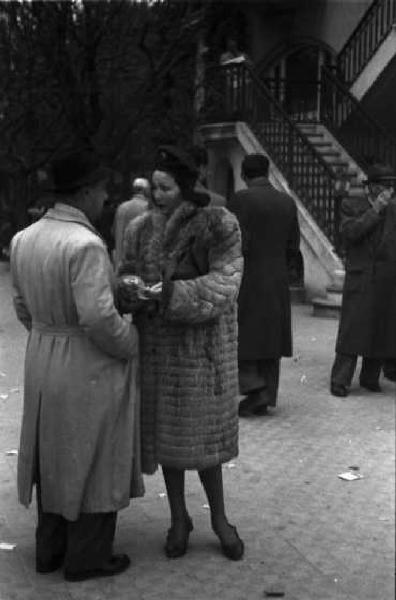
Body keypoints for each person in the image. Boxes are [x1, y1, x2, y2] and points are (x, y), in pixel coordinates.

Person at [10, 149, 142, 581]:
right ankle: (87, 558)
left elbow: (21, 307)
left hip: (44, 354)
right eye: (102, 189)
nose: (106, 198)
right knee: (95, 456)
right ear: (84, 192)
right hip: (86, 361)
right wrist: (129, 342)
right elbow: (99, 318)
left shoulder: (25, 238)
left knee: (52, 455)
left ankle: (49, 551)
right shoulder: (84, 244)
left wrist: (48, 333)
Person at [118, 145, 244, 561]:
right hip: (160, 350)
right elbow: (125, 272)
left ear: (187, 185)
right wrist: (132, 290)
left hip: (205, 351)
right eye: (154, 186)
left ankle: (220, 520)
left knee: (206, 443)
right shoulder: (139, 227)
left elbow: (226, 283)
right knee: (168, 443)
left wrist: (170, 293)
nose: (157, 193)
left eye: (166, 186)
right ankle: (178, 518)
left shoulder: (218, 223)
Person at [228, 153, 300, 417]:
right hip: (277, 277)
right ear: (268, 173)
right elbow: (294, 246)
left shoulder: (240, 200)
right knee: (271, 337)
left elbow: (232, 240)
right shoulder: (287, 202)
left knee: (244, 335)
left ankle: (253, 386)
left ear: (244, 175)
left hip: (247, 275)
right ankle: (268, 393)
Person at [330, 163, 396, 397]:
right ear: (372, 188)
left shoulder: (394, 211)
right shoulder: (351, 206)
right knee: (352, 330)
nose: (389, 191)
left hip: (386, 280)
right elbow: (350, 234)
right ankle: (340, 380)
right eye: (385, 186)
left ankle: (370, 378)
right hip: (361, 277)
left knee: (380, 329)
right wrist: (375, 210)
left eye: (392, 186)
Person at [113, 176, 151, 269]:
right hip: (139, 264)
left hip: (120, 261)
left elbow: (114, 232)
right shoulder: (147, 207)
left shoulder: (122, 207)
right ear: (146, 190)